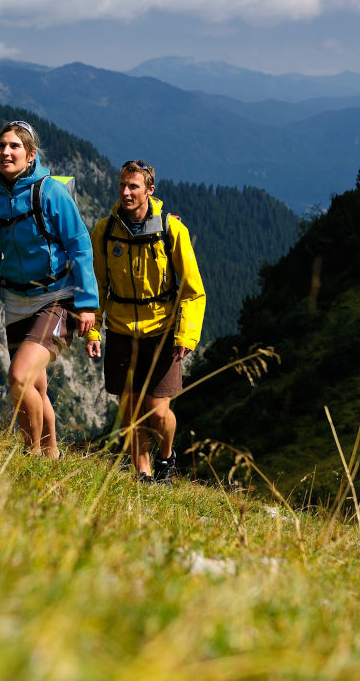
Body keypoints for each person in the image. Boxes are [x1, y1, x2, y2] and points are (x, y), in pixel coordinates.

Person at [0, 120, 98, 458]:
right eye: (1, 146)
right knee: (36, 385)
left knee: (19, 376)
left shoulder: (49, 192)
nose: (6, 152)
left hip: (57, 298)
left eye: (14, 146)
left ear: (31, 154)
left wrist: (87, 304)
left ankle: (31, 456)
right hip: (15, 302)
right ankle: (51, 455)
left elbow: (80, 245)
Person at [85, 160, 205, 484]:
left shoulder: (171, 229)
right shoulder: (105, 231)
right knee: (131, 409)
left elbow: (193, 290)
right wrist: (94, 328)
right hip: (121, 330)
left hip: (162, 329)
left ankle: (166, 457)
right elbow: (97, 284)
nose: (126, 192)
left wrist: (186, 335)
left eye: (133, 186)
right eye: (122, 185)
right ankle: (143, 474)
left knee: (158, 409)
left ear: (150, 190)